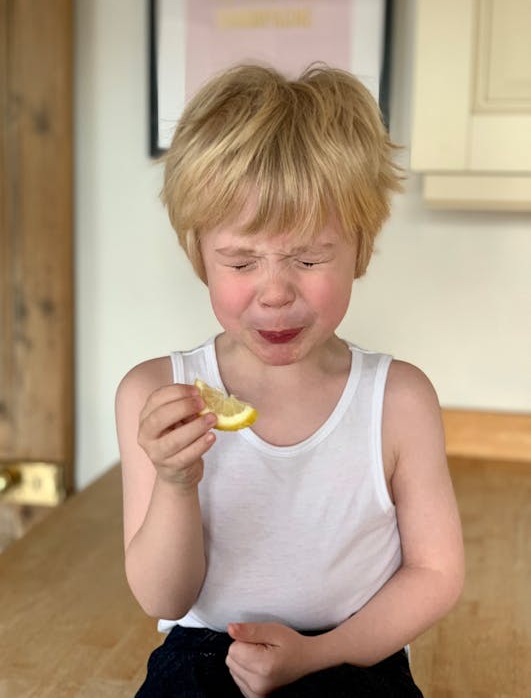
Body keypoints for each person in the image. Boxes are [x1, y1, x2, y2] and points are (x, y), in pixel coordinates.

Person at [115, 64, 465, 697]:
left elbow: (435, 571)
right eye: (241, 261)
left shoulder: (400, 400)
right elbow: (160, 597)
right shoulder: (153, 392)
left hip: (353, 654)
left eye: (308, 258)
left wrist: (316, 654)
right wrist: (174, 482)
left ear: (360, 248)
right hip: (202, 660)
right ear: (200, 256)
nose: (275, 292)